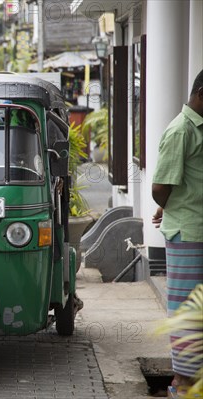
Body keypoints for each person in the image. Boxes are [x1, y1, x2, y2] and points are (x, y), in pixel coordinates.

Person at [151, 69, 203, 395]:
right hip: (187, 233)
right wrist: (165, 205)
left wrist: (166, 205)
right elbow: (160, 187)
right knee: (187, 312)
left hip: (194, 227)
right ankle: (182, 383)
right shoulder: (181, 131)